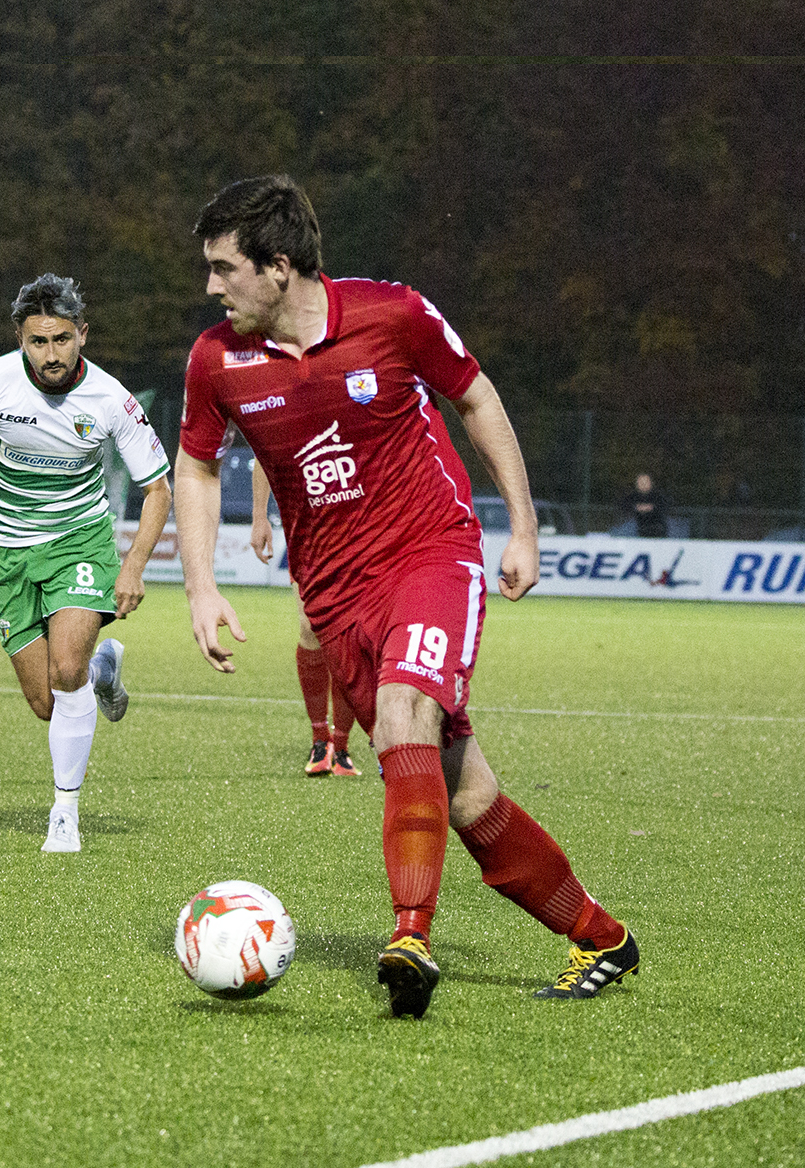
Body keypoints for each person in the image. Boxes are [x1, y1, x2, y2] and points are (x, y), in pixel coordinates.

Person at [175, 175, 638, 1018]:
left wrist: (525, 527)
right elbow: (199, 465)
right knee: (465, 796)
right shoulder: (219, 361)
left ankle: (412, 935)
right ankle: (603, 938)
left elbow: (476, 396)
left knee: (401, 716)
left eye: (223, 268)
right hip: (336, 595)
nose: (212, 288)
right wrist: (200, 586)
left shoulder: (394, 314)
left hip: (431, 555)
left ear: (278, 266)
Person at [0, 273, 173, 854]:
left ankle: (64, 811)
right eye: (37, 341)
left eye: (61, 339)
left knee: (65, 669)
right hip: (5, 553)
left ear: (82, 334)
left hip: (78, 544)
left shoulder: (111, 399)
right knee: (47, 703)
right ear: (20, 338)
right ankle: (103, 667)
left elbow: (158, 488)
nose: (50, 354)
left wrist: (134, 566)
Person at [248, 461, 362, 777]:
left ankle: (341, 746)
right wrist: (260, 517)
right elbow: (263, 456)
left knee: (349, 637)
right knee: (310, 627)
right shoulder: (288, 414)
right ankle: (319, 738)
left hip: (357, 527)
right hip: (307, 530)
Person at [622, 471, 669, 538]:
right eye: (641, 482)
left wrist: (651, 508)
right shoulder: (631, 497)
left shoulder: (659, 496)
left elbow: (664, 507)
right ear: (636, 483)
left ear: (651, 483)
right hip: (634, 530)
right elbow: (624, 508)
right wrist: (636, 508)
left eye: (646, 482)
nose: (643, 484)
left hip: (656, 528)